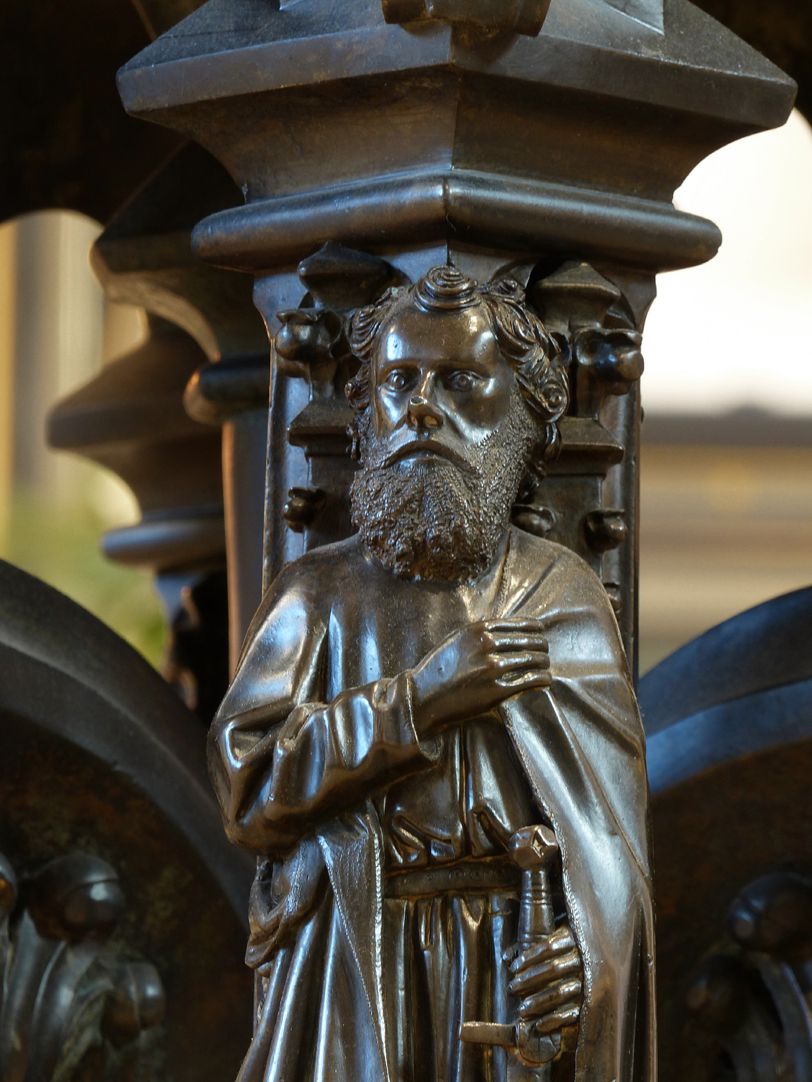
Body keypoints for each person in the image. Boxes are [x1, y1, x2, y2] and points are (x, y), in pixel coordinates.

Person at [209, 265, 655, 1082]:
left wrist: (584, 952)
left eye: (459, 381)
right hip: (352, 957)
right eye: (400, 381)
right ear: (369, 412)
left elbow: (612, 850)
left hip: (511, 964)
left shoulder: (561, 596)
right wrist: (419, 702)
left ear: (523, 416)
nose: (421, 407)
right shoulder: (319, 596)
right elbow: (249, 786)